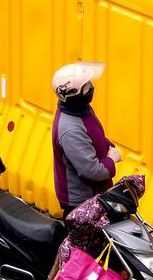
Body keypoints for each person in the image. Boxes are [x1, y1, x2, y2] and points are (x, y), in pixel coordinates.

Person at [51, 62, 122, 218]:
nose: (91, 88)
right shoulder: (70, 129)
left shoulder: (82, 109)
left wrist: (107, 146)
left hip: (96, 194)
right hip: (82, 203)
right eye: (86, 86)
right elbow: (90, 170)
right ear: (74, 94)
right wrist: (111, 160)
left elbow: (93, 136)